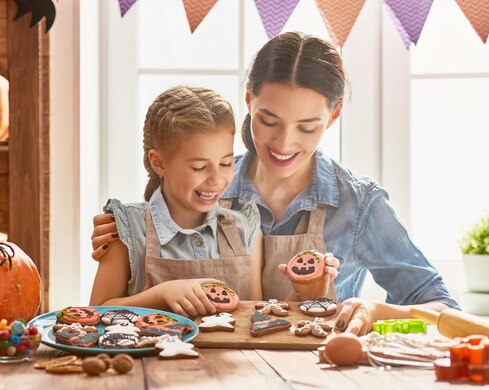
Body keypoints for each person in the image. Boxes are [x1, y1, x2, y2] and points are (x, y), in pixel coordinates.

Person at [92, 33, 459, 334]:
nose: (284, 144)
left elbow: (441, 306)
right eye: (269, 120)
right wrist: (124, 232)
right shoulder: (206, 189)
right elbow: (140, 264)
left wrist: (375, 310)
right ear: (249, 100)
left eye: (306, 126)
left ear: (333, 115)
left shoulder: (358, 203)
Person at [90, 86, 269, 318]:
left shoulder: (245, 228)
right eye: (199, 167)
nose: (216, 179)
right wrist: (162, 294)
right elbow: (96, 313)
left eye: (225, 163)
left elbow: (256, 316)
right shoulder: (126, 230)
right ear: (159, 163)